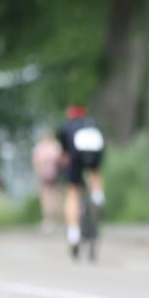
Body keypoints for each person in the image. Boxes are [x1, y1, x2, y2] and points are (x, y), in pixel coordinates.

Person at [57, 105, 106, 258]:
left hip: (76, 154)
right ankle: (98, 196)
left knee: (73, 192)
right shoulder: (92, 124)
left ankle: (73, 233)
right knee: (94, 172)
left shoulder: (66, 127)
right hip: (95, 151)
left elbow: (64, 155)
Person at [31, 129, 63, 233]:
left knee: (53, 197)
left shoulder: (50, 146)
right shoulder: (53, 146)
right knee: (49, 197)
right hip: (47, 175)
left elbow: (36, 161)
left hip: (53, 175)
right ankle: (51, 219)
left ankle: (55, 218)